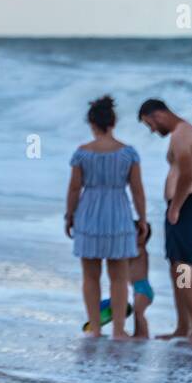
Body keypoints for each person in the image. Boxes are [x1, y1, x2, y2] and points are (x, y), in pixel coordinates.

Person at [65, 96, 147, 339]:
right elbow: (137, 189)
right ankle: (119, 330)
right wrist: (142, 219)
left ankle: (96, 329)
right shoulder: (128, 153)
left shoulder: (82, 153)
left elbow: (74, 189)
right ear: (113, 122)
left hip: (89, 213)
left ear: (92, 123)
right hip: (118, 214)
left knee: (90, 276)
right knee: (119, 277)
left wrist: (69, 216)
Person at [138, 98, 192, 345]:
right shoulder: (184, 132)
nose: (152, 130)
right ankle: (184, 326)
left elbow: (188, 173)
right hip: (190, 204)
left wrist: (176, 207)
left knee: (182, 267)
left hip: (188, 205)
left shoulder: (182, 134)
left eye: (150, 124)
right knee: (178, 268)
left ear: (158, 115)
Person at [130, 222, 154, 338]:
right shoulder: (136, 249)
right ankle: (137, 333)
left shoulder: (140, 250)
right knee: (136, 312)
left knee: (139, 313)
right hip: (138, 288)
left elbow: (128, 257)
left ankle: (144, 334)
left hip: (143, 288)